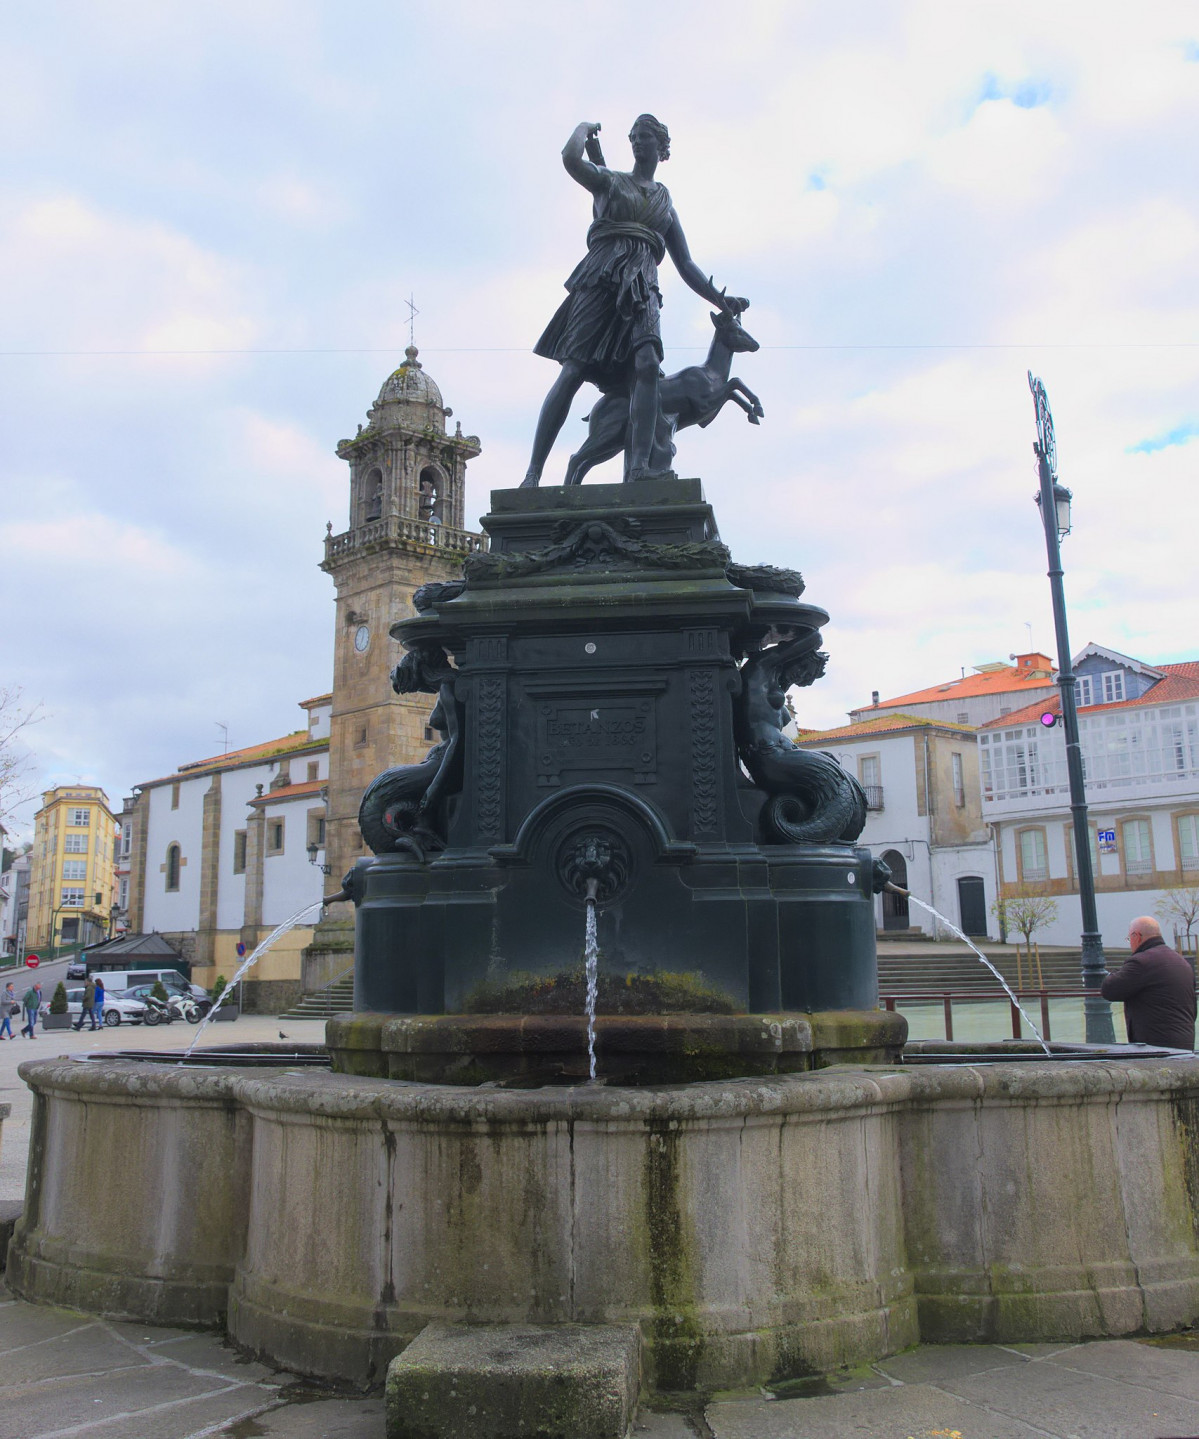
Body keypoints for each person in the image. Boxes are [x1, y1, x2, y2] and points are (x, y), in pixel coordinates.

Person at [522, 116, 748, 488]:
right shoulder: (609, 181)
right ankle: (533, 473)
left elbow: (687, 264)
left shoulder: (664, 203)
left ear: (662, 147)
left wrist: (721, 301)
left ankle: (640, 468)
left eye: (646, 138)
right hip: (600, 277)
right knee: (574, 369)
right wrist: (582, 128)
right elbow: (570, 159)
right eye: (634, 138)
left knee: (647, 366)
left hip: (643, 286)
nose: (638, 144)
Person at [1100, 915, 1196, 1050]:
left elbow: (1109, 990)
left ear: (1137, 936)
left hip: (1155, 1046)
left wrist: (1114, 972)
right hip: (1185, 1043)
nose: (1130, 943)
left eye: (1129, 939)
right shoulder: (1182, 962)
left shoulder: (1141, 962)